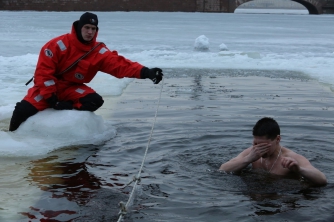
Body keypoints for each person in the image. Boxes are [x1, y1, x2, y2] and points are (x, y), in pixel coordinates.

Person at [9, 12, 163, 131]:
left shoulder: (98, 51)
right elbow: (43, 73)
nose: (90, 32)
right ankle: (11, 139)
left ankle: (67, 111)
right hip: (48, 87)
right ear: (79, 27)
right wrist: (52, 100)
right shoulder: (57, 45)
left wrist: (146, 72)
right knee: (22, 111)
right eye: (87, 28)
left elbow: (120, 65)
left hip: (71, 88)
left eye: (93, 29)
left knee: (94, 101)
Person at [219, 117, 327, 186]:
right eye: (256, 143)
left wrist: (299, 169)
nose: (258, 149)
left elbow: (322, 180)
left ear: (278, 139)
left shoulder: (291, 157)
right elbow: (223, 169)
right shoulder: (251, 152)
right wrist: (247, 159)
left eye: (264, 145)